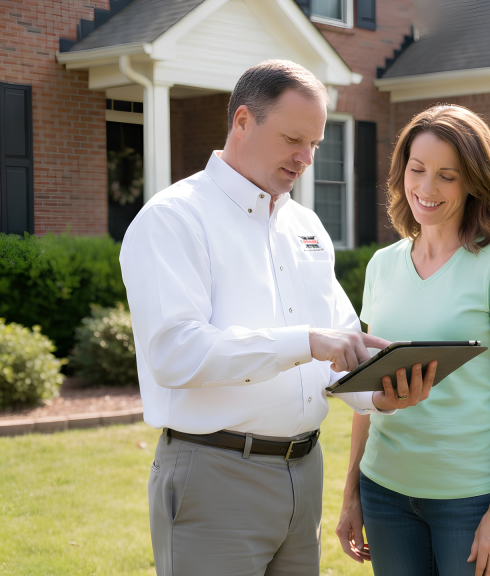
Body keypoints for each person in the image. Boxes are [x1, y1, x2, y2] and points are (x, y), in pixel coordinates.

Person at [120, 59, 433, 576]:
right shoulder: (174, 218)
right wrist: (305, 341)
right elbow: (176, 354)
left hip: (303, 474)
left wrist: (380, 393)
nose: (307, 157)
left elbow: (342, 346)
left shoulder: (306, 226)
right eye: (293, 138)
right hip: (214, 476)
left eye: (315, 142)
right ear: (242, 121)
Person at [335, 104, 490, 576]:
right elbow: (371, 386)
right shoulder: (382, 265)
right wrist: (351, 492)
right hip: (384, 492)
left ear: (474, 181)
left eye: (447, 176)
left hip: (469, 500)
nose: (426, 189)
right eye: (417, 169)